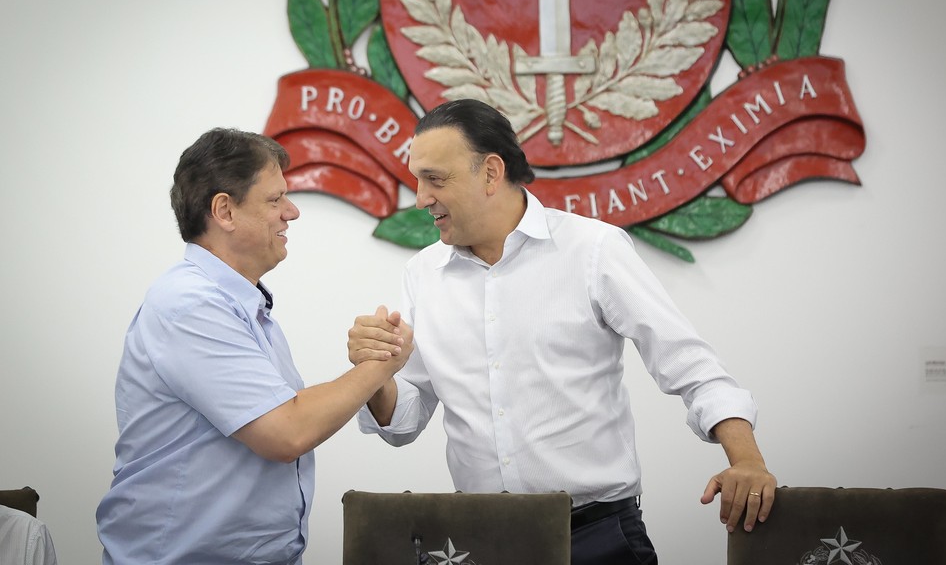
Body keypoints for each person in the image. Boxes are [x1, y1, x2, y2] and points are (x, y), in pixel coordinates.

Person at [347, 99, 777, 565]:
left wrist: (747, 460)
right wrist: (376, 376)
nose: (421, 197)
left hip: (596, 538)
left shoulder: (593, 249)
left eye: (435, 178)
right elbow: (405, 419)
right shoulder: (423, 273)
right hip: (476, 540)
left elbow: (689, 365)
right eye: (417, 179)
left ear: (491, 173)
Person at [96, 128, 413, 565]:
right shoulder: (189, 305)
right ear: (224, 211)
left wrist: (369, 366)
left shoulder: (245, 308)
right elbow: (286, 432)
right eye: (275, 199)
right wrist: (379, 364)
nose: (292, 212)